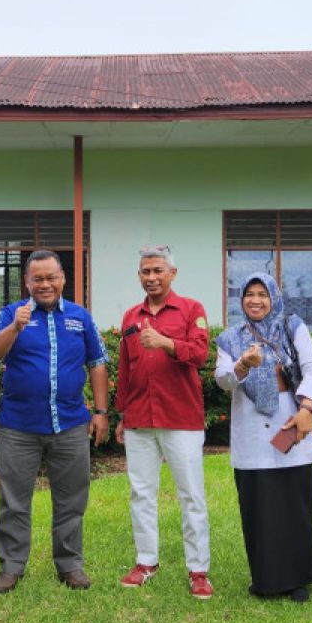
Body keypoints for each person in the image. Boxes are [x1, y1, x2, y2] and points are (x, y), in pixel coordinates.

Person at [0, 250, 109, 594]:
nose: (45, 284)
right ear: (26, 282)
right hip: (19, 426)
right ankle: (11, 566)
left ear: (63, 278)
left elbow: (97, 363)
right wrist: (15, 327)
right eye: (37, 278)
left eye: (51, 277)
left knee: (71, 499)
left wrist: (100, 412)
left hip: (69, 423)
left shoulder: (80, 318)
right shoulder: (11, 313)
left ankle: (70, 564)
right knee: (14, 499)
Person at [215, 273, 312, 602]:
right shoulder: (230, 338)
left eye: (263, 294)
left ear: (274, 297)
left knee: (294, 502)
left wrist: (307, 407)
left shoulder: (293, 327)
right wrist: (242, 366)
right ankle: (266, 579)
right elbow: (223, 381)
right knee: (258, 505)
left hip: (291, 420)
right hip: (250, 429)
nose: (256, 300)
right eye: (249, 294)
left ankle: (298, 580)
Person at [114, 245, 214, 599]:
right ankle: (146, 562)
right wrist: (122, 414)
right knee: (141, 493)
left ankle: (198, 570)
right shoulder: (130, 316)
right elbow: (125, 369)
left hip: (181, 417)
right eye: (145, 271)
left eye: (158, 270)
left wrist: (166, 342)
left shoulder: (191, 310)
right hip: (140, 417)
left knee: (191, 495)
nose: (151, 277)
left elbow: (201, 355)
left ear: (173, 273)